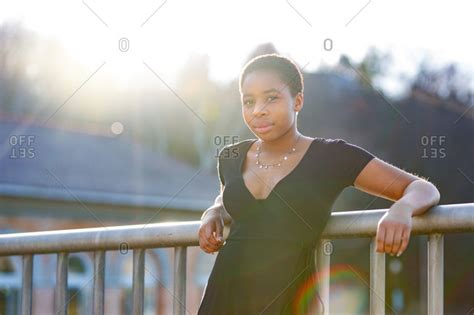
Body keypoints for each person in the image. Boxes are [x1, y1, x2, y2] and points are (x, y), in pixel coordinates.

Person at [197, 54, 441, 314]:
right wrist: (212, 213)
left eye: (271, 98)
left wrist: (401, 210)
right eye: (249, 101)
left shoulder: (331, 157)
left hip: (286, 300)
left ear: (297, 101)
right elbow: (227, 199)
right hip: (222, 297)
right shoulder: (231, 157)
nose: (258, 110)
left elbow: (423, 189)